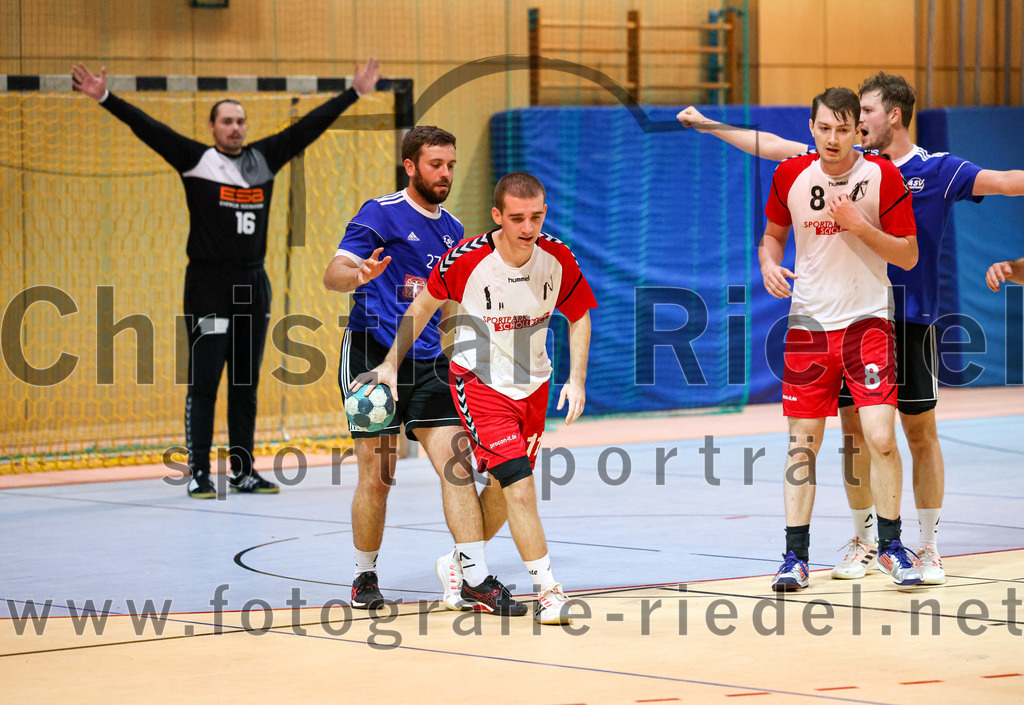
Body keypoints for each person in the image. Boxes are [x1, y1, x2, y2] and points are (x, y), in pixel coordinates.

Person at [679, 71, 1024, 585]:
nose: (854, 122)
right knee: (854, 436)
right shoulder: (845, 161)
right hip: (850, 318)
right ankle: (867, 540)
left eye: (864, 113)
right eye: (848, 116)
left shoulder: (937, 170)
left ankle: (925, 544)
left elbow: (1004, 181)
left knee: (916, 433)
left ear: (894, 116)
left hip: (909, 317)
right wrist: (709, 125)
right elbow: (772, 147)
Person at [71, 59, 380, 499]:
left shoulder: (264, 160)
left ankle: (242, 470)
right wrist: (104, 96)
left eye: (240, 121)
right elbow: (149, 128)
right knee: (205, 381)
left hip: (252, 287)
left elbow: (310, 127)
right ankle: (198, 472)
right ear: (213, 127)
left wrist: (355, 92)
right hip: (208, 288)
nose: (235, 128)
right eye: (227, 121)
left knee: (244, 383)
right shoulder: (197, 161)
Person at [352, 171, 597, 624]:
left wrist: (576, 379)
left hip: (534, 385)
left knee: (506, 490)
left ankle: (460, 564)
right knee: (520, 487)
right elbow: (421, 307)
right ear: (497, 216)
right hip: (480, 383)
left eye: (537, 217)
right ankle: (549, 589)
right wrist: (389, 363)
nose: (528, 228)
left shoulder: (559, 257)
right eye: (518, 218)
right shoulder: (465, 259)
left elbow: (578, 314)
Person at [324, 126, 515, 614]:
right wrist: (358, 274)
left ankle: (473, 577)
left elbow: (448, 303)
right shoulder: (380, 213)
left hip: (429, 362)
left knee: (459, 466)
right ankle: (363, 575)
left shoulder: (453, 229)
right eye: (436, 164)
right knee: (378, 474)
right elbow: (333, 273)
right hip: (371, 357)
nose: (446, 173)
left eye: (451, 164)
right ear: (411, 166)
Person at [758, 87, 922, 590]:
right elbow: (773, 234)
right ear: (812, 127)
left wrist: (856, 224)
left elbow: (908, 255)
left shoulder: (882, 176)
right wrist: (767, 262)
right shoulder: (790, 175)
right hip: (809, 327)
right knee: (802, 445)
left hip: (867, 324)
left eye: (842, 128)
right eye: (823, 128)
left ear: (858, 130)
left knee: (878, 437)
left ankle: (891, 546)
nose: (832, 138)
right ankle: (795, 557)